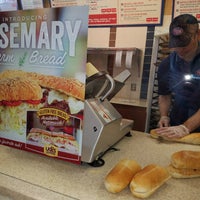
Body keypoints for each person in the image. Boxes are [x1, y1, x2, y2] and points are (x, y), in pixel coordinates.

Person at [155, 14, 200, 139]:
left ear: (198, 35)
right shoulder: (166, 64)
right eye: (176, 45)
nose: (180, 51)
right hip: (177, 124)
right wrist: (164, 115)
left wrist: (186, 127)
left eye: (184, 45)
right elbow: (164, 95)